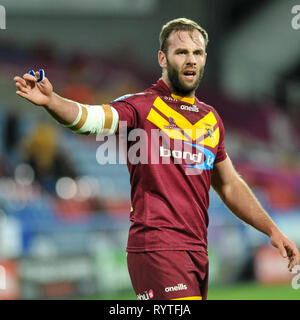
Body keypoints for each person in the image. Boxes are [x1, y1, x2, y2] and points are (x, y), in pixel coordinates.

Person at [14, 18, 299, 300]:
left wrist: (271, 229)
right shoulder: (141, 106)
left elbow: (229, 185)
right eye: (181, 52)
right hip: (158, 248)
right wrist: (53, 101)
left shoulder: (211, 118)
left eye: (197, 53)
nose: (190, 60)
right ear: (162, 58)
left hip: (197, 252)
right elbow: (91, 120)